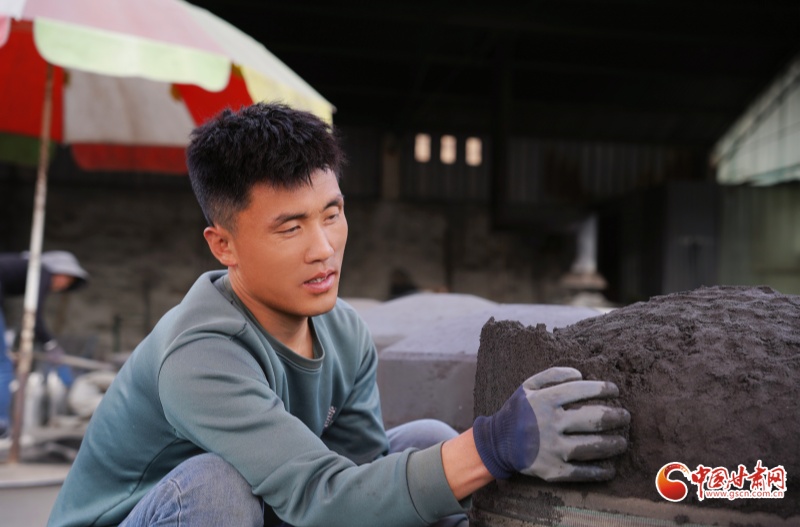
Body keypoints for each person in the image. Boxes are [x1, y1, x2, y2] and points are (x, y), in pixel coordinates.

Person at [48, 103, 630, 527]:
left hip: (273, 501)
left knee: (425, 439)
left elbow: (359, 479)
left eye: (331, 214)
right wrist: (493, 445)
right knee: (216, 486)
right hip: (172, 514)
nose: (323, 248)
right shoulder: (200, 354)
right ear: (223, 245)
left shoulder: (343, 330)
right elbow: (318, 493)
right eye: (290, 227)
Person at [0, 250, 90, 437]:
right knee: (3, 366)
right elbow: (33, 317)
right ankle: (2, 425)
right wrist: (50, 344)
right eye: (67, 280)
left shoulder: (24, 268)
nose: (64, 285)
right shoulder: (41, 270)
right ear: (60, 271)